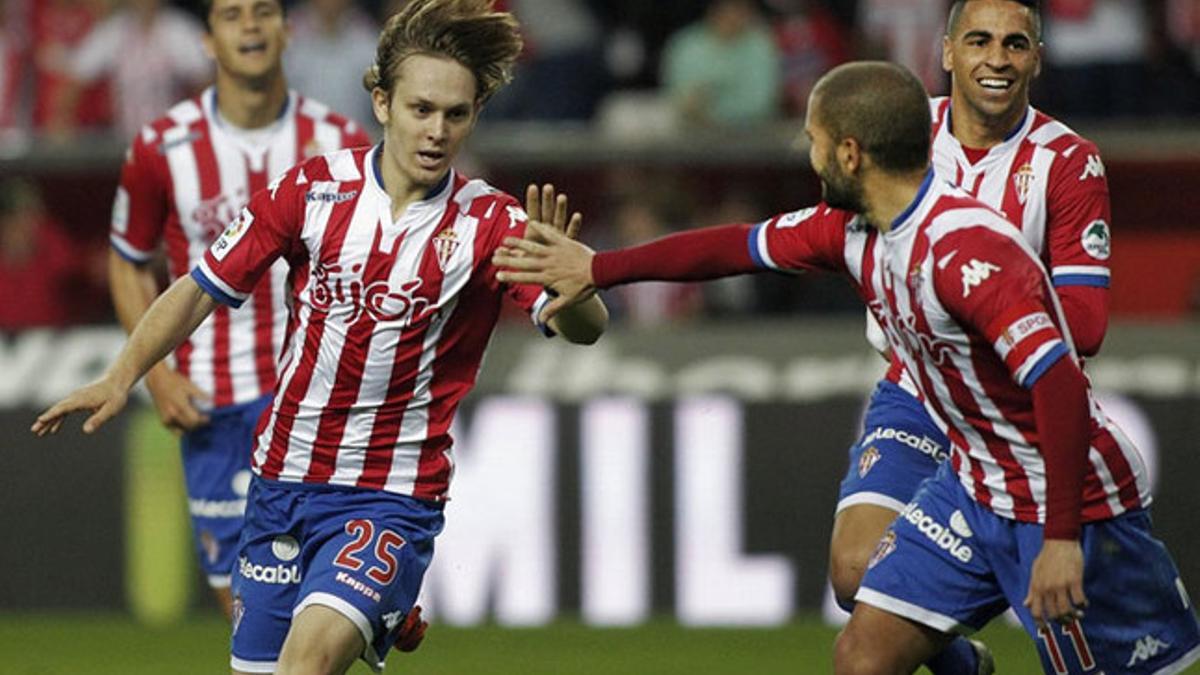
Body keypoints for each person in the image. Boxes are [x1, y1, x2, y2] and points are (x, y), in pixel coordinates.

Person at [491, 61, 1200, 674]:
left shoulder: (966, 254)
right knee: (863, 653)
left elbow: (1058, 381)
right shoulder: (851, 231)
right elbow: (733, 246)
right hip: (973, 487)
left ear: (852, 153)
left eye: (815, 142)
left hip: (1067, 502)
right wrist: (597, 268)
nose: (810, 156)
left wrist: (1060, 538)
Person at [34, 1, 608, 673]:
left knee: (304, 666)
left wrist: (578, 285)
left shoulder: (490, 222)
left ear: (474, 115)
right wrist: (123, 372)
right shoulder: (313, 190)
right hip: (281, 482)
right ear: (382, 101)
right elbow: (200, 286)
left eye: (455, 114)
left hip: (389, 493)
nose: (436, 131)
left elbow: (585, 330)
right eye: (421, 108)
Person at [830, 1, 1116, 671]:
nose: (998, 58)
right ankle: (963, 661)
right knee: (851, 571)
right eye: (980, 41)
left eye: (1016, 44)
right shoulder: (902, 134)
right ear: (948, 52)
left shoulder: (1067, 161)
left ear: (1036, 58)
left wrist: (978, 321)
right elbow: (828, 232)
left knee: (1077, 628)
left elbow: (1088, 323)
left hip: (1015, 413)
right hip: (916, 389)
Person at [105, 0, 372, 620]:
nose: (250, 25)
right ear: (207, 40)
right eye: (232, 14)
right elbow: (127, 259)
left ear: (285, 30)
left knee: (324, 606)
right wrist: (156, 374)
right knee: (250, 611)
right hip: (214, 404)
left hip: (316, 402)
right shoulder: (160, 147)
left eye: (263, 12)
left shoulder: (341, 141)